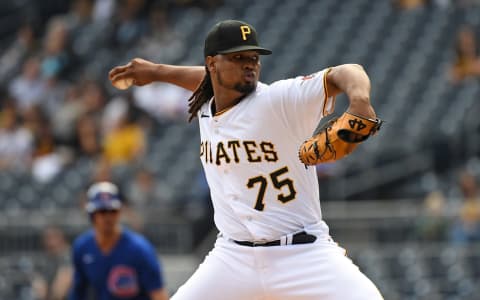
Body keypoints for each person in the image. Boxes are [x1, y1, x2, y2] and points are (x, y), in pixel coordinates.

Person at [109, 20, 383, 300]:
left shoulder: (278, 100)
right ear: (212, 64)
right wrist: (156, 71)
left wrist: (360, 99)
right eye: (238, 58)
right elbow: (202, 80)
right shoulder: (206, 99)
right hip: (232, 257)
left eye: (253, 58)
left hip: (303, 254)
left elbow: (348, 72)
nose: (249, 64)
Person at [68, 181, 169, 300]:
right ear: (92, 214)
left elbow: (158, 293)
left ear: (119, 212)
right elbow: (78, 291)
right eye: (102, 211)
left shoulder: (139, 249)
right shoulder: (82, 247)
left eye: (113, 211)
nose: (108, 217)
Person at [32, 226, 73, 300]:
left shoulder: (69, 255)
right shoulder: (48, 259)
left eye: (53, 237)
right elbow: (40, 285)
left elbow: (61, 287)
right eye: (47, 238)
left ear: (61, 238)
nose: (50, 242)